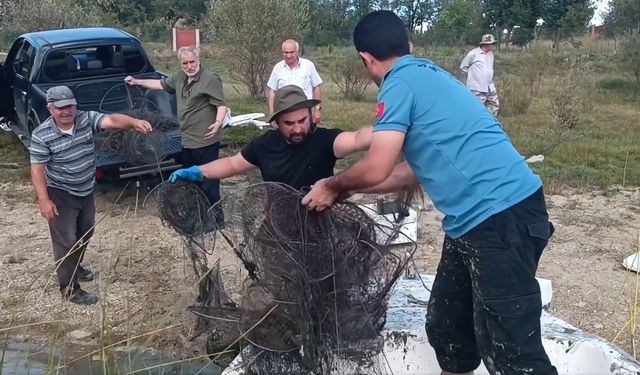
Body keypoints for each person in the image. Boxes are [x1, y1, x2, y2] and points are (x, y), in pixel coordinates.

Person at [302, 10, 557, 375]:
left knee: (513, 350)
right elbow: (408, 174)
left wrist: (331, 184)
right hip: (473, 224)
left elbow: (376, 165)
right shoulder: (429, 75)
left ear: (365, 59)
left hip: (502, 218)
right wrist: (344, 195)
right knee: (449, 327)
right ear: (408, 45)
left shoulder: (400, 83)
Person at [30, 85, 152, 305]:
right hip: (61, 193)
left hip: (85, 190)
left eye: (70, 106)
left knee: (85, 233)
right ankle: (69, 289)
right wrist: (43, 200)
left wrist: (133, 123)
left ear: (76, 106)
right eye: (60, 108)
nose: (66, 111)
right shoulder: (42, 135)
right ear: (50, 109)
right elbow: (37, 169)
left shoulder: (86, 119)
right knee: (65, 240)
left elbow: (112, 120)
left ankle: (75, 267)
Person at [169, 85, 370, 192]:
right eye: (289, 124)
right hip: (278, 229)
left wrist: (392, 129)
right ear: (276, 123)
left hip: (321, 224)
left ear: (310, 116)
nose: (298, 128)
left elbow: (357, 139)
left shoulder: (326, 140)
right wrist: (197, 171)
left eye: (302, 120)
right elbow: (232, 164)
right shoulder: (264, 145)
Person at [124, 46, 228, 208]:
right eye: (185, 63)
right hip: (187, 141)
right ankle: (196, 214)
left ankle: (214, 219)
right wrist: (137, 81)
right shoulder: (180, 77)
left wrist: (218, 123)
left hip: (205, 140)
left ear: (198, 60)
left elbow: (221, 105)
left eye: (192, 62)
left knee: (208, 182)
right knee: (191, 181)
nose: (189, 66)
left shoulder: (210, 79)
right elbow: (160, 84)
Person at [267, 39, 323, 125]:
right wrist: (272, 114)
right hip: (284, 112)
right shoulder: (277, 68)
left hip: (305, 112)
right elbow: (273, 92)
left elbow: (317, 87)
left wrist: (318, 110)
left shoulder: (308, 65)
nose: (288, 55)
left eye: (291, 52)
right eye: (286, 52)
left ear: (297, 52)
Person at [460, 34, 499, 116]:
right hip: (477, 87)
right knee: (477, 109)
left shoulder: (491, 54)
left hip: (489, 86)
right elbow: (463, 67)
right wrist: (474, 78)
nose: (493, 46)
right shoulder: (473, 54)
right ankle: (476, 125)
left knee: (494, 105)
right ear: (486, 44)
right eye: (492, 44)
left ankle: (489, 123)